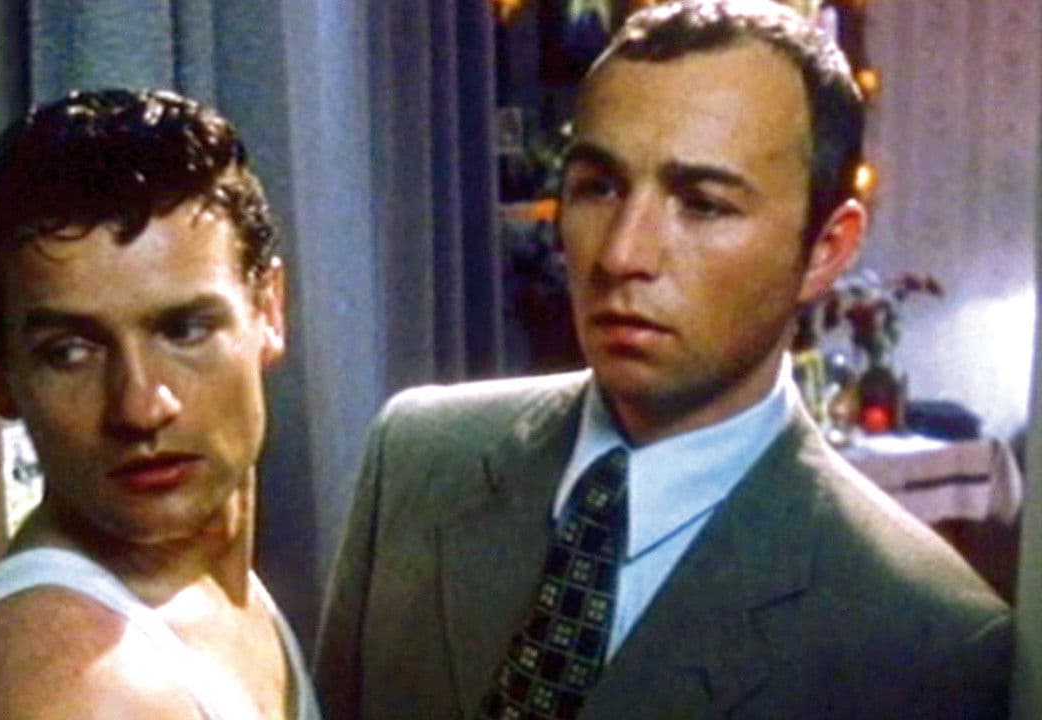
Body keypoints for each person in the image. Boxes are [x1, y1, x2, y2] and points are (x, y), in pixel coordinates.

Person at [314, 2, 1011, 718]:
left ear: (825, 250)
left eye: (703, 204)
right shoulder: (417, 458)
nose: (622, 254)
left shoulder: (928, 638)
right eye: (599, 187)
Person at [0, 89, 320, 720]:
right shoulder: (76, 682)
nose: (140, 408)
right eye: (69, 352)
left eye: (185, 330)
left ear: (268, 309)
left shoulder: (203, 588)